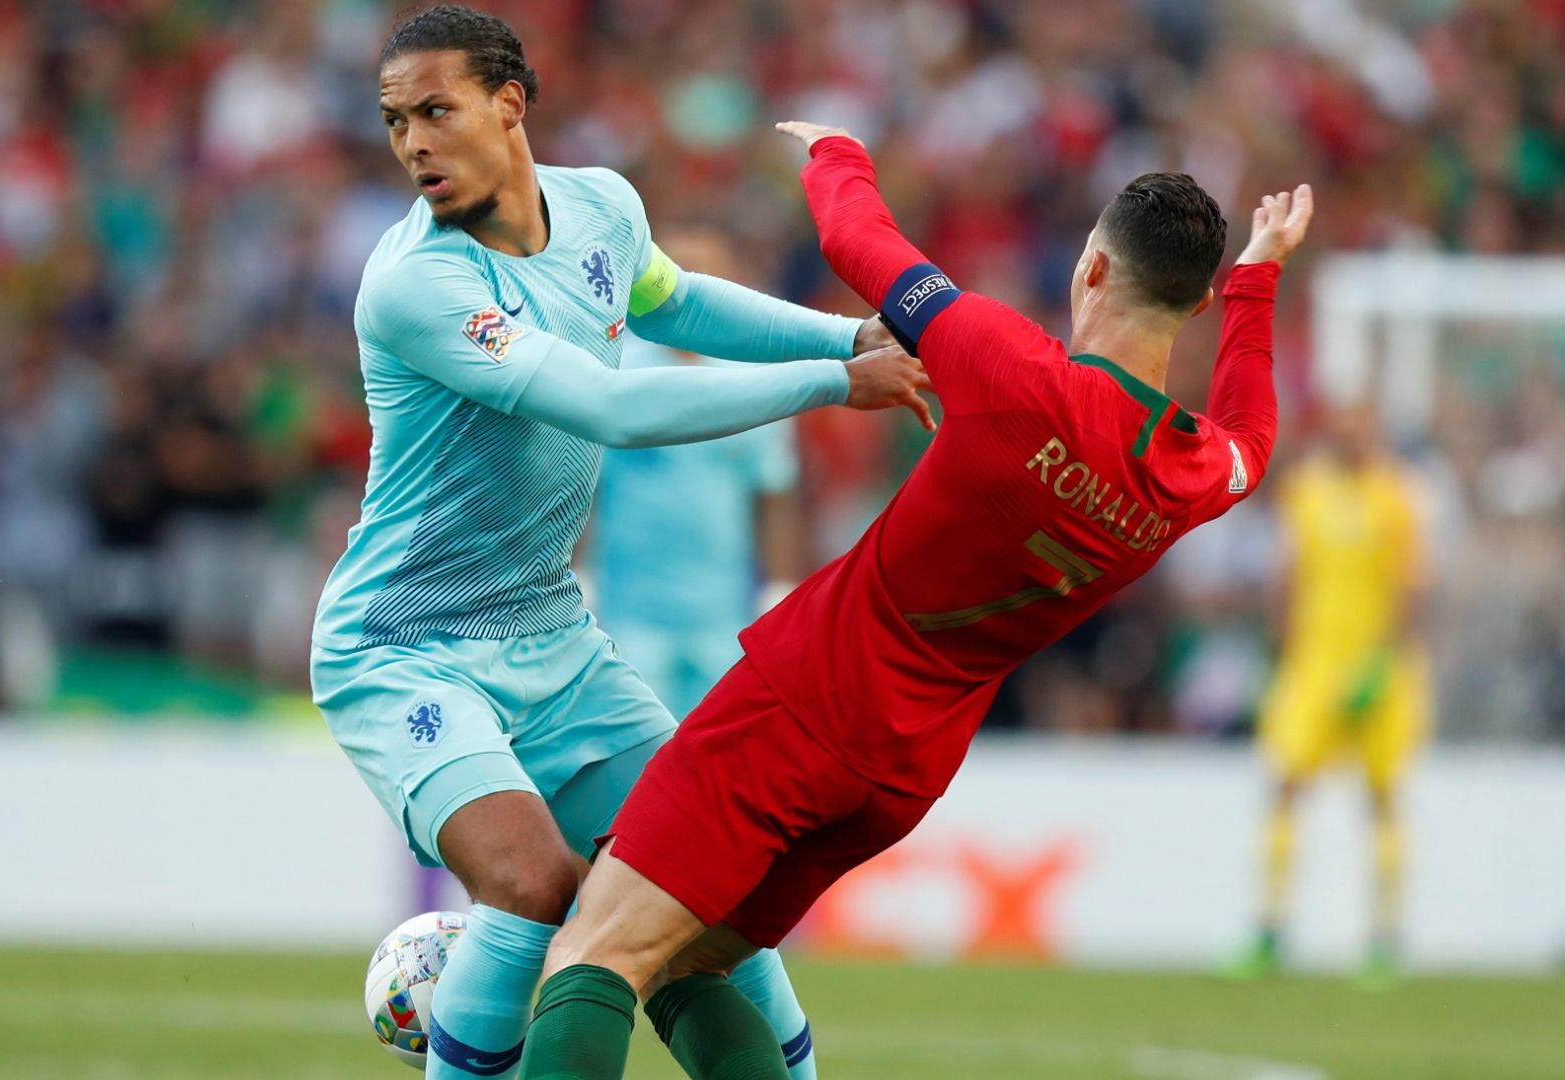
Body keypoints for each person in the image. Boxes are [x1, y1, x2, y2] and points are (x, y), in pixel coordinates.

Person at [516, 121, 1314, 1080]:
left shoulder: (1010, 366)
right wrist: (1260, 278)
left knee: (595, 954)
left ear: (1093, 270)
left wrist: (837, 151)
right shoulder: (1191, 471)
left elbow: (859, 242)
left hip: (803, 704)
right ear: (1192, 307)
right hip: (905, 772)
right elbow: (1252, 435)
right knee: (684, 967)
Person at [311, 10, 930, 1080]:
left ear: (510, 103)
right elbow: (609, 405)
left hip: (556, 637)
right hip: (405, 647)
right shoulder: (419, 283)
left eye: (435, 111)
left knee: (707, 894)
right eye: (395, 120)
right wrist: (837, 381)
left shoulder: (603, 208)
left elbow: (676, 302)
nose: (412, 142)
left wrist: (848, 333)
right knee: (534, 887)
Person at [1229, 406, 1430, 987]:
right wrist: (1278, 648)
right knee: (1286, 788)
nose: (1349, 437)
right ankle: (1269, 930)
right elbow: (1287, 575)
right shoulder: (1307, 492)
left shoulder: (1397, 498)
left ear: (1374, 434)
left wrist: (1383, 660)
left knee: (1384, 797)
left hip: (1379, 670)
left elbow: (1410, 587)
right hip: (1313, 667)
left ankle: (1386, 941)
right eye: (1340, 428)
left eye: (1358, 428)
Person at [590, 229, 806, 719]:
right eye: (673, 274)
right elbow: (581, 485)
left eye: (700, 275)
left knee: (714, 757)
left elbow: (774, 495)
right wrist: (574, 577)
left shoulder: (755, 378)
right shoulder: (615, 371)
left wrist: (780, 589)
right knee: (637, 757)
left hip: (722, 613)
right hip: (628, 610)